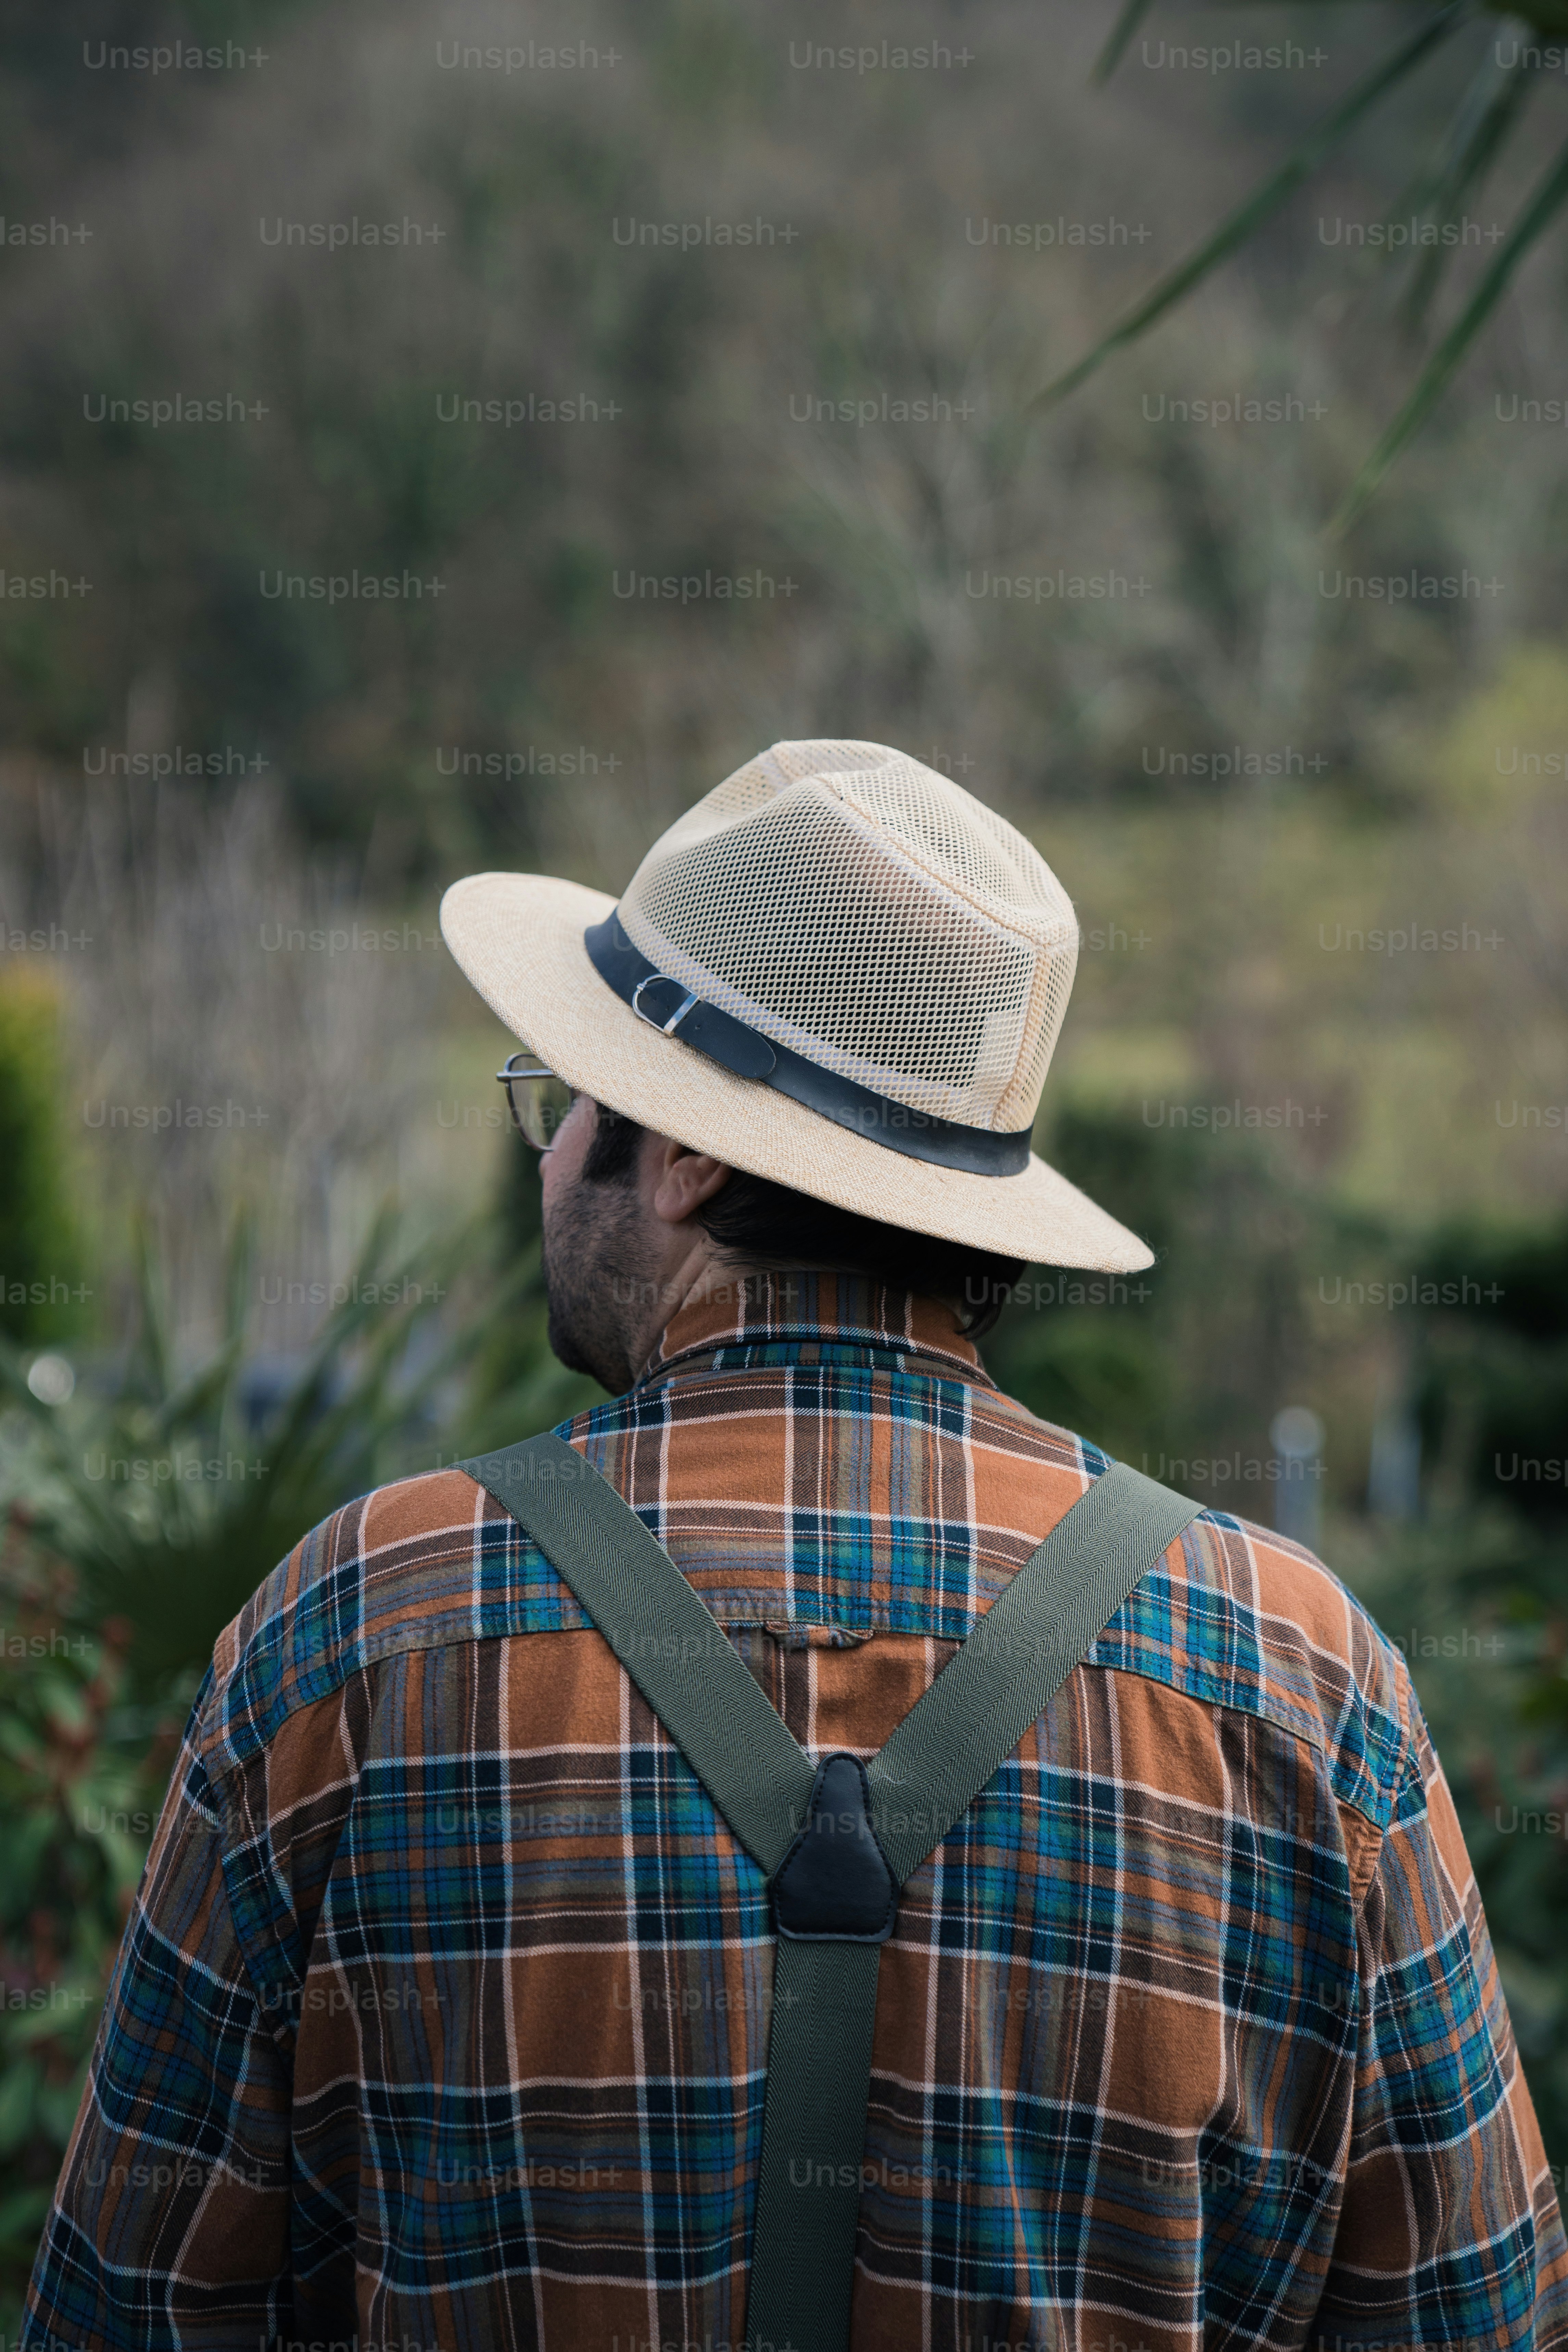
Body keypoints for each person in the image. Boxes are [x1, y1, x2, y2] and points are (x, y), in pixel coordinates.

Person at [26, 740, 1568, 2351]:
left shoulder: (358, 1626)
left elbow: (134, 2309)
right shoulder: (1296, 1679)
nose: (545, 1155)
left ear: (686, 1153)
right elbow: (1471, 2317)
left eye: (566, 1100)